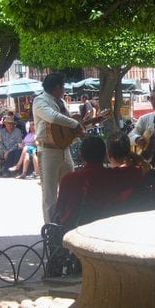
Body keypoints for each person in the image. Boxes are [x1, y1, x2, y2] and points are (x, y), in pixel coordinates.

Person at [53, 135, 144, 228]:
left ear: (81, 157)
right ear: (105, 155)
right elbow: (140, 169)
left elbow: (60, 211)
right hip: (111, 228)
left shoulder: (69, 179)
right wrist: (131, 155)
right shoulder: (119, 175)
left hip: (77, 232)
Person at [33, 72, 86, 223]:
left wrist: (75, 131)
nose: (64, 89)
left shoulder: (61, 102)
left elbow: (65, 128)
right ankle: (51, 231)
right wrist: (76, 124)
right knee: (49, 195)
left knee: (69, 189)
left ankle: (67, 223)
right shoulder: (40, 101)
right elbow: (53, 117)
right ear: (57, 87)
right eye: (62, 86)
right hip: (48, 151)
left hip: (64, 150)